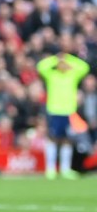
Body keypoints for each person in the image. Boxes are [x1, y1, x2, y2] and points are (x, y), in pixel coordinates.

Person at [36, 47, 90, 180]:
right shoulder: (52, 75)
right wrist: (56, 59)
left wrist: (68, 58)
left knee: (68, 140)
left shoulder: (72, 75)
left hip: (69, 112)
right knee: (53, 139)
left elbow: (85, 67)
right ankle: (50, 170)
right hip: (54, 111)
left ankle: (65, 169)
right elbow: (41, 66)